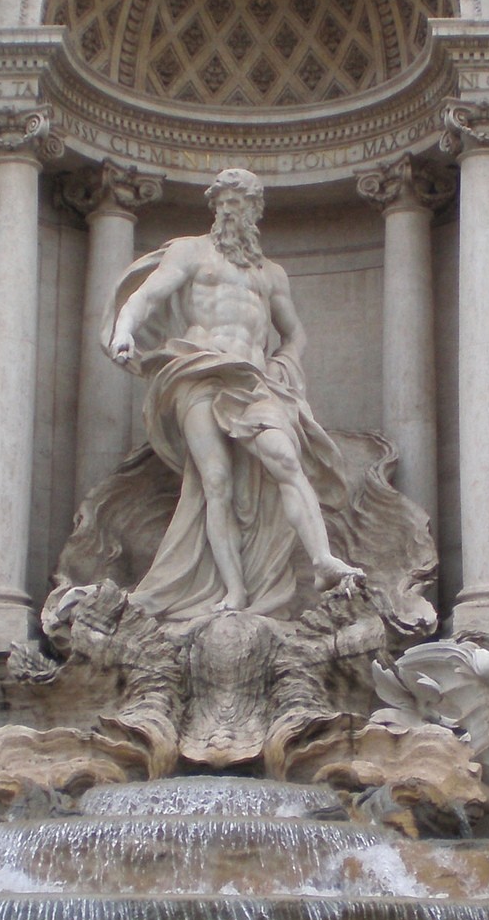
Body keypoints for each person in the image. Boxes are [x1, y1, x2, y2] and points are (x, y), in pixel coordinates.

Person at [105, 168, 362, 619]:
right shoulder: (190, 253)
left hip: (253, 379)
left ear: (254, 211)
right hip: (198, 372)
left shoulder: (271, 275)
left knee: (285, 459)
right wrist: (124, 331)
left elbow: (295, 333)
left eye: (238, 202)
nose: (229, 210)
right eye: (223, 201)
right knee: (216, 482)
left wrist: (285, 366)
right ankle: (234, 592)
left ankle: (322, 559)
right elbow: (146, 297)